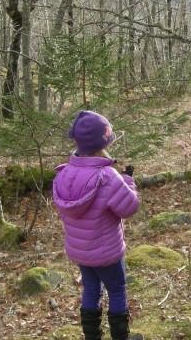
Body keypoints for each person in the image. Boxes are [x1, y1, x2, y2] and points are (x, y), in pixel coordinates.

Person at [53, 111, 142, 340]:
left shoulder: (64, 174)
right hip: (108, 253)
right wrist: (128, 181)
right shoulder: (108, 176)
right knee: (117, 289)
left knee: (91, 289)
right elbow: (129, 208)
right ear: (104, 142)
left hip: (81, 252)